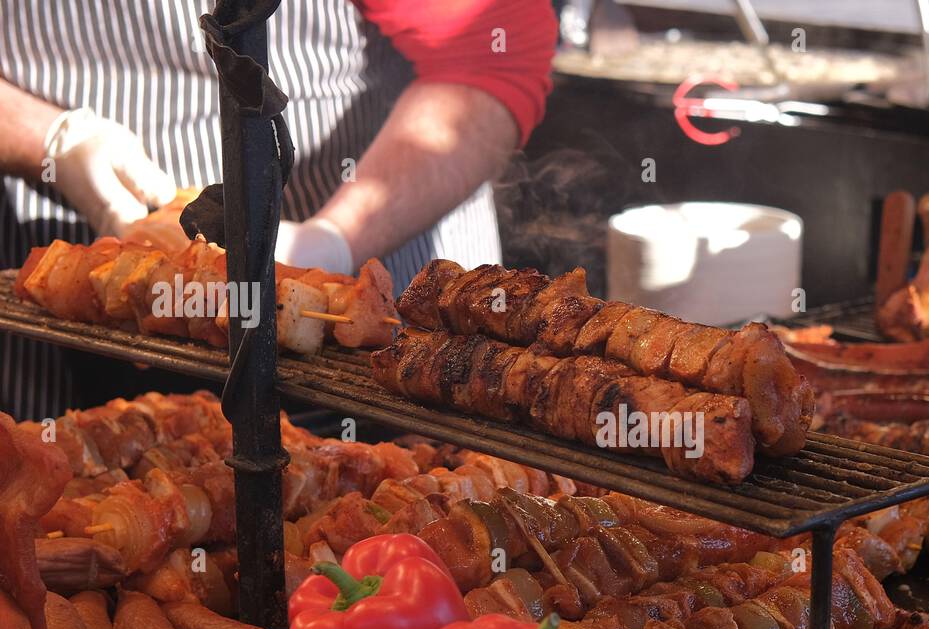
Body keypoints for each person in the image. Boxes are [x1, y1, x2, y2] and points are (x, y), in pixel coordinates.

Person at [0, 0, 558, 419]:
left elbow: (490, 55)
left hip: (372, 283)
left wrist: (334, 240)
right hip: (65, 282)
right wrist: (49, 140)